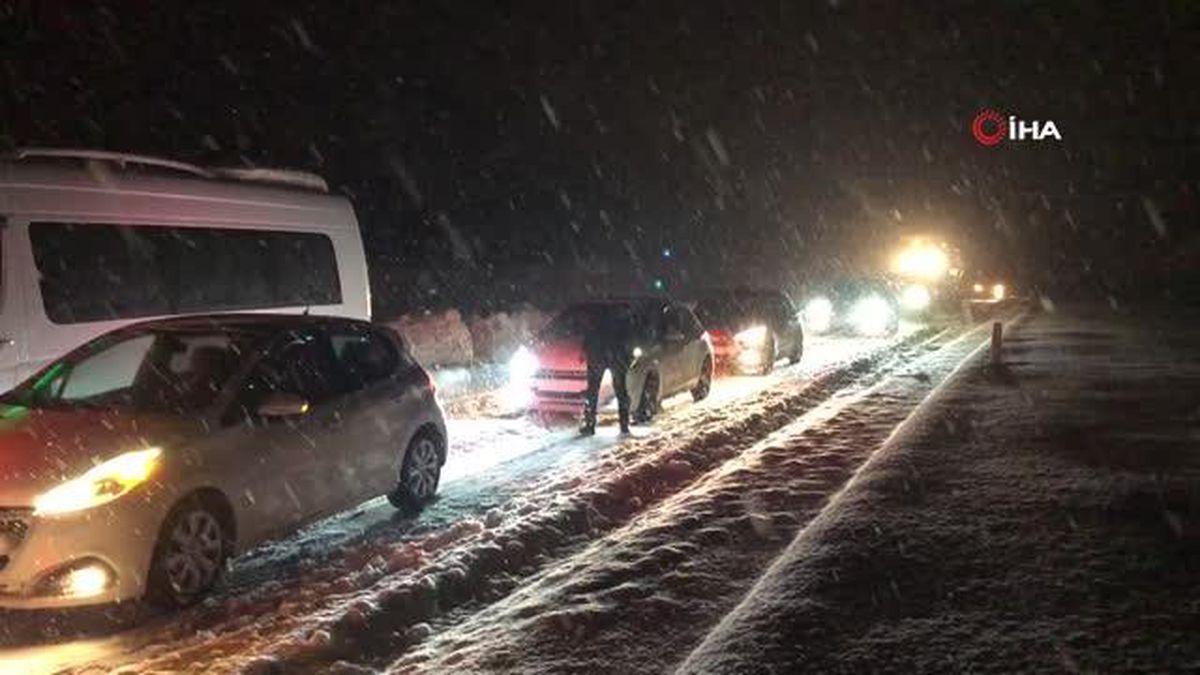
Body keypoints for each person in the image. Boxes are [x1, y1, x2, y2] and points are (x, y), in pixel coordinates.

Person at [580, 304, 635, 436]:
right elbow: (629, 338)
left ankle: (590, 424)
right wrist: (626, 357)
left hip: (599, 355)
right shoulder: (623, 318)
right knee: (620, 390)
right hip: (615, 356)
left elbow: (589, 335)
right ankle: (624, 424)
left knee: (593, 391)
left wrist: (586, 351)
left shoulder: (596, 316)